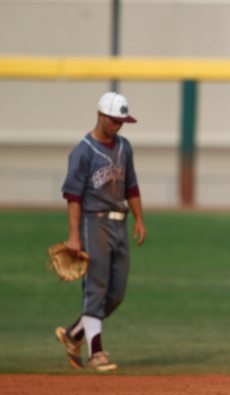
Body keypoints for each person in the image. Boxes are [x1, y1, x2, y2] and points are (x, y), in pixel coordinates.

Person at [55, 92, 146, 372]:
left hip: (120, 223)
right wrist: (74, 235)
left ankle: (73, 334)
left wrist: (139, 219)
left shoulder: (124, 147)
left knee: (115, 293)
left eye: (122, 121)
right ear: (101, 115)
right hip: (93, 223)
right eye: (115, 120)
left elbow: (131, 186)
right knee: (96, 288)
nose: (118, 125)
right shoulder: (83, 151)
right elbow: (73, 197)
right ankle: (96, 354)